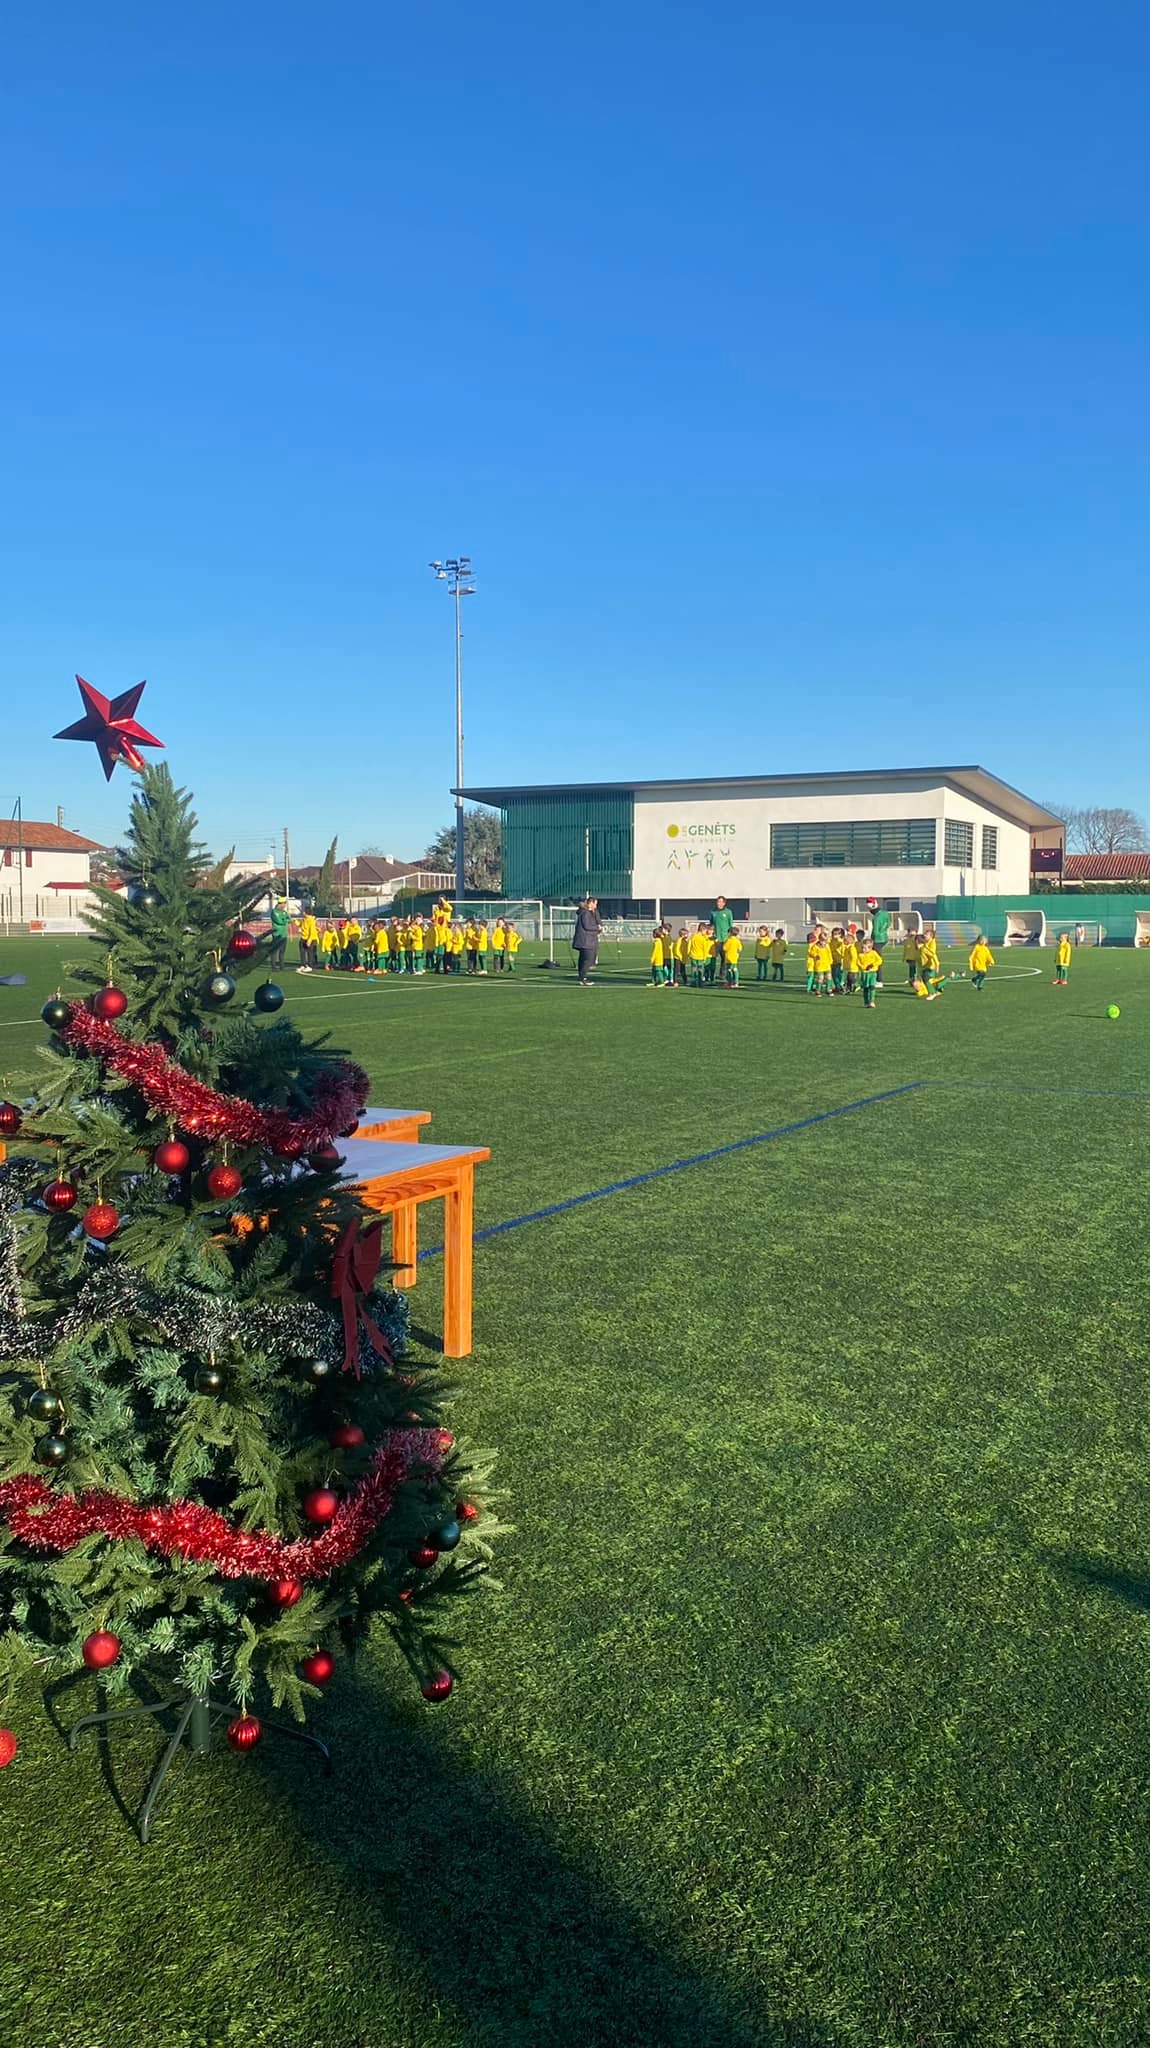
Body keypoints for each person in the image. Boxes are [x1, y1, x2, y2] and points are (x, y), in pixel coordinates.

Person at [571, 897, 602, 985]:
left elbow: (597, 920)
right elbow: (587, 926)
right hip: (586, 940)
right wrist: (597, 928)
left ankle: (581, 977)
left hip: (586, 940)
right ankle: (583, 977)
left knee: (584, 959)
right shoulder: (585, 913)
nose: (596, 906)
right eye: (595, 904)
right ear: (591, 903)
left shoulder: (590, 912)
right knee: (588, 959)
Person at [858, 938, 882, 1010]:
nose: (863, 949)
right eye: (862, 947)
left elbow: (880, 960)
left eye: (865, 948)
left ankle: (872, 1001)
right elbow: (858, 963)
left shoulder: (874, 953)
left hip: (872, 973)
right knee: (865, 988)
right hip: (865, 974)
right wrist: (863, 967)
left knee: (872, 987)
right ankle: (866, 1002)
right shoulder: (860, 955)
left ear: (870, 948)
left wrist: (873, 965)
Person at [268, 898, 289, 969]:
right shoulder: (274, 912)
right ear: (281, 903)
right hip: (277, 934)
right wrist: (285, 920)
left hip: (284, 934)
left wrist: (285, 919)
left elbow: (289, 919)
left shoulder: (284, 912)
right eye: (284, 903)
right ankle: (273, 966)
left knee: (282, 951)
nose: (285, 905)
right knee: (275, 951)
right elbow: (279, 921)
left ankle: (281, 965)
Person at [688, 922, 710, 988]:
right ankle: (700, 982)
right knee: (700, 969)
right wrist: (705, 957)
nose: (706, 932)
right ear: (703, 930)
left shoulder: (693, 936)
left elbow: (689, 945)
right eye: (705, 931)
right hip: (701, 956)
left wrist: (689, 953)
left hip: (693, 955)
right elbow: (705, 949)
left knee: (694, 969)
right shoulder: (703, 939)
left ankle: (694, 981)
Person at [812, 929, 833, 998]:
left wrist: (830, 961)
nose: (823, 942)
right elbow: (812, 952)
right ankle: (818, 991)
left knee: (829, 977)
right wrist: (815, 955)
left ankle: (828, 990)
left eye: (824, 940)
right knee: (821, 978)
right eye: (822, 940)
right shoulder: (816, 946)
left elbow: (829, 953)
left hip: (827, 964)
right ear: (819, 939)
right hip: (819, 965)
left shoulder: (827, 946)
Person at [297, 909, 319, 973]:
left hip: (309, 938)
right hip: (303, 938)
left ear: (307, 912)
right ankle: (303, 965)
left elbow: (312, 931)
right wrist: (295, 922)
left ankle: (310, 966)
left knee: (310, 953)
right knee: (302, 952)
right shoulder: (304, 919)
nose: (303, 912)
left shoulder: (311, 920)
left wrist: (309, 940)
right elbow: (300, 925)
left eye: (304, 911)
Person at [843, 928, 860, 995]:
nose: (843, 942)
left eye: (845, 940)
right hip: (850, 967)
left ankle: (855, 986)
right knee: (849, 978)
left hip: (853, 967)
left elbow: (854, 957)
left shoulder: (851, 948)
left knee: (851, 978)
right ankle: (849, 989)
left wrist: (851, 964)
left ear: (848, 941)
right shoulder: (848, 948)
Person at [830, 927, 846, 996]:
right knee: (835, 975)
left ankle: (839, 987)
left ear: (840, 934)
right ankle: (839, 986)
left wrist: (843, 962)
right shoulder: (831, 941)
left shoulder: (841, 942)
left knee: (836, 975)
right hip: (832, 961)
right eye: (833, 934)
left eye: (836, 934)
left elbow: (843, 953)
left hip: (839, 961)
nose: (834, 936)